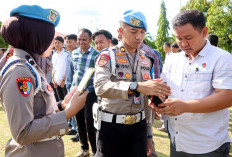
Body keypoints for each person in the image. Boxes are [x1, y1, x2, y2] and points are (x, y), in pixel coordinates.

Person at [0, 5, 88, 157]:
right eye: (50, 37)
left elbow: (38, 110)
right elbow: (22, 133)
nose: (53, 42)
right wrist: (68, 113)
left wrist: (61, 106)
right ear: (37, 37)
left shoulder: (30, 66)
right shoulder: (20, 71)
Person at [150, 9, 232, 157]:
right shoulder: (173, 59)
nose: (183, 44)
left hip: (208, 143)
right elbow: (165, 88)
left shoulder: (221, 58)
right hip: (177, 138)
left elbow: (227, 97)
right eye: (178, 38)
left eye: (188, 37)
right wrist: (158, 100)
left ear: (204, 31)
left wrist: (186, 106)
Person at [94, 10, 171, 157]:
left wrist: (149, 135)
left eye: (142, 32)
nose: (139, 36)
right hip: (111, 128)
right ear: (121, 31)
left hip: (138, 129)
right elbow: (100, 87)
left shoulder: (146, 59)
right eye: (134, 31)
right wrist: (136, 86)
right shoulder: (107, 56)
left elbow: (146, 100)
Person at [73, 28, 99, 157]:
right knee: (79, 120)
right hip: (77, 92)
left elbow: (99, 76)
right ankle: (84, 148)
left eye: (84, 39)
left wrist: (89, 91)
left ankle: (95, 151)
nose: (81, 42)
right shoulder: (74, 53)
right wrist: (73, 89)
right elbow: (75, 72)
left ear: (90, 40)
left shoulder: (96, 54)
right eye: (79, 39)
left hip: (90, 92)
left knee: (89, 121)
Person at [64, 34, 79, 141]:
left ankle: (79, 132)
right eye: (67, 42)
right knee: (71, 107)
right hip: (69, 84)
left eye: (70, 42)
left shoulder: (78, 54)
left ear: (76, 42)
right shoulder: (69, 53)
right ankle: (74, 127)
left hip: (76, 86)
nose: (67, 44)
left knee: (77, 109)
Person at [52, 36, 68, 101]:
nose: (56, 44)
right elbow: (53, 68)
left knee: (67, 101)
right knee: (60, 101)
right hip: (56, 82)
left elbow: (68, 69)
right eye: (55, 43)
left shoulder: (66, 54)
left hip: (65, 82)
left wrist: (64, 80)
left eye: (58, 42)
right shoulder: (54, 54)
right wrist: (53, 79)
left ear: (62, 43)